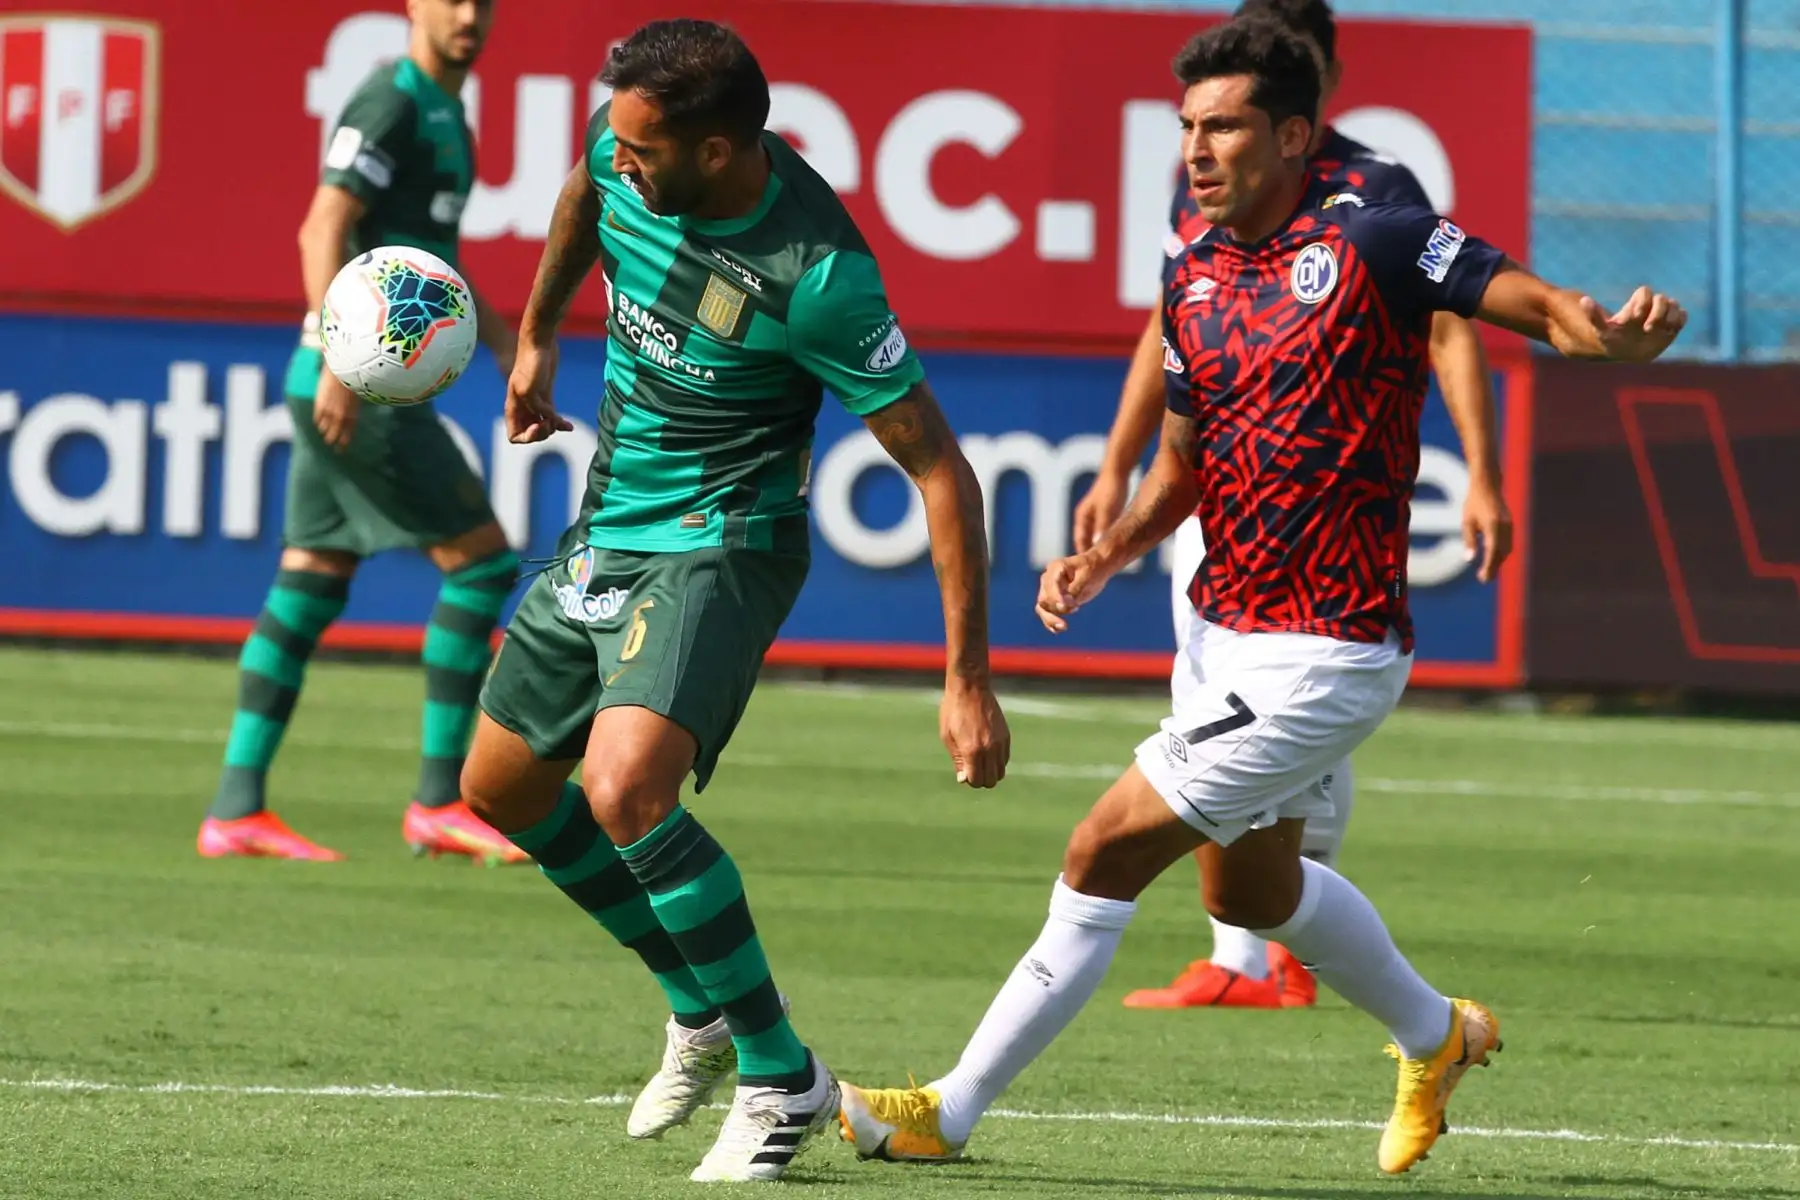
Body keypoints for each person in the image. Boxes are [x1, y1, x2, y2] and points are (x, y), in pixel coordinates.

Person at [839, 16, 1683, 1177]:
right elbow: (1186, 467)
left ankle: (949, 1106)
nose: (1196, 147)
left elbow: (1525, 303)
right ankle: (1437, 1036)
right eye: (1187, 126)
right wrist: (1111, 547)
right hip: (1230, 636)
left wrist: (1605, 338)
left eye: (1224, 125)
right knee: (1256, 886)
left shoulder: (1381, 235)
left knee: (1100, 850)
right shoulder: (1192, 274)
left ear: (1294, 135)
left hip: (1328, 653)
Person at [455, 19, 1011, 1184]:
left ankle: (779, 1076)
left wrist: (966, 680)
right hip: (612, 520)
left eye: (645, 148)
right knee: (499, 787)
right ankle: (696, 1010)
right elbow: (577, 200)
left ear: (716, 154)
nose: (622, 160)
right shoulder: (626, 158)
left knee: (622, 788)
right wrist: (541, 334)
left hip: (727, 542)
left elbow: (941, 475)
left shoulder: (819, 279)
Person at [1073, 0, 1512, 1011]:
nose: (1210, 137)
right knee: (1217, 698)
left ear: (1317, 81)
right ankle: (1255, 948)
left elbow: (1450, 324)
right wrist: (1115, 464)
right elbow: (1170, 326)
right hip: (1214, 492)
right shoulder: (1210, 188)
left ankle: (1258, 953)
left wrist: (1482, 470)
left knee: (1279, 706)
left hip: (1312, 516)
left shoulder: (1376, 191)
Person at [197, 0, 526, 865]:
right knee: (484, 564)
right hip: (355, 383)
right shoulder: (391, 102)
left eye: (483, 1)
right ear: (413, 5)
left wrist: (504, 336)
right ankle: (441, 801)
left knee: (312, 578)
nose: (468, 15)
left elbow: (424, 260)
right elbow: (323, 228)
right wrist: (340, 359)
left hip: (346, 380)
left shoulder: (449, 111)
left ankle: (235, 810)